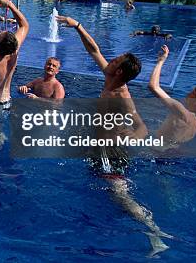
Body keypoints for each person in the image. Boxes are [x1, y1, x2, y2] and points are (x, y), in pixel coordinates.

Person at [57, 15, 171, 256]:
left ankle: (155, 233)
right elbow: (93, 50)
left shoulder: (121, 96)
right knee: (111, 192)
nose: (110, 59)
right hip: (100, 149)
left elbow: (142, 128)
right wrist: (77, 25)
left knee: (120, 194)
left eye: (115, 59)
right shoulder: (110, 77)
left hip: (111, 152)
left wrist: (126, 140)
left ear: (118, 71)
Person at [148, 45, 196, 148]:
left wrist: (161, 61)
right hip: (174, 156)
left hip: (156, 152)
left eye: (194, 93)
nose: (188, 94)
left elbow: (153, 87)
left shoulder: (180, 111)